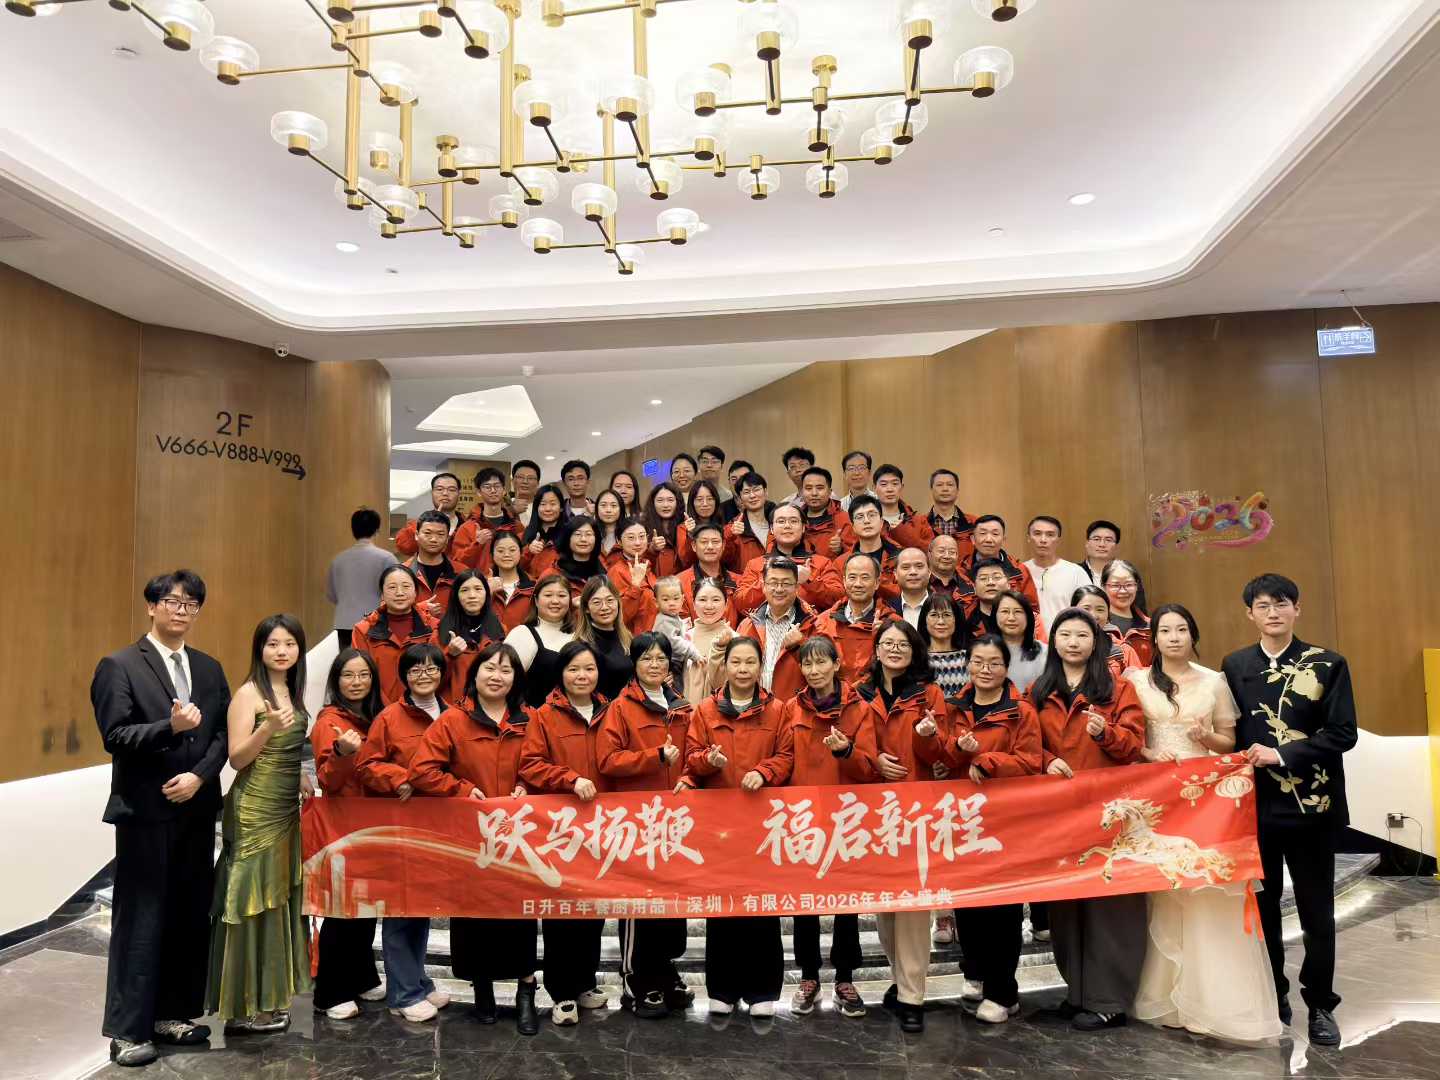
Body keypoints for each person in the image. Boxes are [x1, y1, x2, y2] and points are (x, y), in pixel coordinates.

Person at [92, 570, 231, 1068]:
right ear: (152, 606)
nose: (181, 610)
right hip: (146, 813)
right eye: (171, 601)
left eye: (190, 604)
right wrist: (168, 728)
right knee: (142, 919)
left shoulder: (209, 667)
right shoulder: (120, 665)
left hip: (196, 809)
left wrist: (199, 777)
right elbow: (115, 735)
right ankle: (128, 1031)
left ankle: (172, 1014)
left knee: (188, 914)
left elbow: (221, 734)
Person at [1128, 605, 1281, 1044]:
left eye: (1182, 629)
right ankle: (1169, 998)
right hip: (1157, 796)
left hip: (1204, 801)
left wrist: (1204, 737)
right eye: (1165, 630)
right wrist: (1147, 753)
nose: (1174, 637)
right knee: (1164, 892)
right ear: (1154, 638)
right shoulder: (1136, 681)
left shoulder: (1214, 681)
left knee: (1204, 891)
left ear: (1193, 635)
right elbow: (1131, 738)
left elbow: (1228, 743)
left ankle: (1207, 1001)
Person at [1222, 573, 1355, 1047]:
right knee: (1263, 910)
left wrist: (1281, 754)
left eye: (1281, 604)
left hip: (1312, 807)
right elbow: (1231, 732)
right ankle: (1273, 994)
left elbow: (1342, 734)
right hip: (1255, 809)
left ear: (1297, 609)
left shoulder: (1328, 663)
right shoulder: (1234, 665)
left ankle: (1320, 1004)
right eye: (1263, 605)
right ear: (1250, 614)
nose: (1273, 612)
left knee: (1317, 911)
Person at [408, 642, 540, 1036]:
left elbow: (546, 765)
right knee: (474, 916)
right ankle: (482, 990)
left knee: (519, 917)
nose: (497, 676)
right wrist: (462, 789)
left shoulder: (531, 719)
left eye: (506, 670)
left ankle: (526, 991)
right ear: (475, 674)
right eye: (489, 668)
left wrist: (527, 785)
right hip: (471, 838)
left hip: (519, 838)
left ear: (516, 679)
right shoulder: (453, 721)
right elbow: (422, 771)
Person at [1031, 607, 1146, 1031]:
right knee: (1066, 906)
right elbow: (1025, 742)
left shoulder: (1117, 688)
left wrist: (1105, 734)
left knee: (1109, 906)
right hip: (1058, 814)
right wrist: (1045, 760)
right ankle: (1077, 993)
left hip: (1107, 814)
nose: (1073, 642)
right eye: (1065, 634)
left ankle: (1109, 1000)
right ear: (1054, 642)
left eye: (1082, 635)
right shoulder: (1039, 690)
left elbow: (1134, 745)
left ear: (1096, 642)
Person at [207, 613, 313, 1035]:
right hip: (254, 810)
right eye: (273, 644)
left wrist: (298, 772)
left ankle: (269, 997)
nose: (281, 651)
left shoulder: (292, 690)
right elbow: (237, 759)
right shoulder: (248, 694)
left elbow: (287, 748)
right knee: (251, 901)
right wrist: (266, 729)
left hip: (286, 808)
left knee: (276, 899)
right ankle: (244, 1006)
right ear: (260, 649)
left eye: (289, 644)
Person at [680, 636, 794, 1015]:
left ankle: (763, 990)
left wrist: (764, 772)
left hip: (763, 823)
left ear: (760, 666)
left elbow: (786, 755)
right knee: (723, 905)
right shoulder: (705, 711)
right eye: (736, 662)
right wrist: (707, 761)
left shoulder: (777, 710)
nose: (743, 669)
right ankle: (723, 988)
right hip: (720, 825)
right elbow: (691, 757)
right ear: (725, 666)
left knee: (762, 906)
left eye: (750, 662)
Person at [941, 634, 1043, 1024]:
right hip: (964, 819)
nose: (985, 670)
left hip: (1005, 822)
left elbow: (1030, 761)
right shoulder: (954, 707)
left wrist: (987, 760)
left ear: (1006, 667)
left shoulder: (1021, 711)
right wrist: (954, 751)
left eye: (994, 663)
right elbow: (942, 757)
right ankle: (978, 974)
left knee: (1003, 909)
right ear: (967, 665)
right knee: (968, 905)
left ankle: (1004, 992)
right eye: (978, 662)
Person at [597, 633, 696, 1018]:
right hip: (637, 821)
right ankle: (637, 980)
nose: (654, 665)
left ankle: (665, 970)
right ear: (634, 664)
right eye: (646, 659)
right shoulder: (621, 708)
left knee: (672, 903)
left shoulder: (681, 705)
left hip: (676, 821)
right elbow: (608, 760)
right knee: (640, 902)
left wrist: (690, 774)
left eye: (661, 659)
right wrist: (653, 757)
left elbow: (693, 753)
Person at [857, 618, 948, 1033]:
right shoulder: (859, 693)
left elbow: (940, 753)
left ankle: (913, 995)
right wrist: (873, 759)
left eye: (903, 644)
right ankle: (901, 978)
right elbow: (852, 745)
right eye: (887, 643)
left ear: (914, 652)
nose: (894, 649)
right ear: (876, 649)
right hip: (873, 812)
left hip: (916, 810)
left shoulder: (929, 694)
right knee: (886, 907)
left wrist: (927, 737)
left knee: (912, 904)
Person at [355, 644, 453, 1022]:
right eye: (415, 670)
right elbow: (367, 764)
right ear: (404, 676)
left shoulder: (453, 714)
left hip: (440, 825)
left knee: (422, 907)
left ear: (442, 672)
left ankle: (418, 980)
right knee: (400, 908)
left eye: (431, 668)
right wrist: (401, 778)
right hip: (403, 823)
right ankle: (403, 993)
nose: (424, 675)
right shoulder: (390, 717)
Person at [519, 641, 614, 1026]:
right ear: (561, 674)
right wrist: (570, 779)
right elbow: (531, 764)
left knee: (595, 909)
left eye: (589, 669)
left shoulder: (611, 711)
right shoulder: (544, 715)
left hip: (604, 826)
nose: (582, 676)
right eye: (574, 669)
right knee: (562, 911)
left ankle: (585, 981)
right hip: (560, 828)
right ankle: (561, 992)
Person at [782, 636, 876, 1020]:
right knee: (805, 901)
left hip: (845, 818)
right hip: (804, 817)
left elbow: (869, 767)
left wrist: (846, 752)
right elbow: (783, 758)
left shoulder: (859, 710)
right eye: (808, 664)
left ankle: (844, 977)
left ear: (837, 664)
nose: (815, 670)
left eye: (822, 662)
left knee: (845, 902)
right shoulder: (790, 709)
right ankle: (808, 977)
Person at [310, 650, 385, 1021]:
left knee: (367, 906)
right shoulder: (330, 722)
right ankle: (330, 991)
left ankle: (362, 976)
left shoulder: (377, 716)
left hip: (375, 823)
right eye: (348, 675)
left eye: (364, 675)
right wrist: (342, 752)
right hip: (344, 824)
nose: (357, 682)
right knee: (343, 910)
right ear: (336, 681)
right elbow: (328, 780)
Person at [735, 556, 822, 699]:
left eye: (786, 583)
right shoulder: (747, 625)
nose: (779, 589)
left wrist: (801, 645)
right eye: (773, 583)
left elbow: (823, 673)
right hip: (754, 707)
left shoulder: (813, 624)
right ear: (764, 586)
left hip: (795, 707)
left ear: (796, 588)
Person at [732, 503, 843, 614]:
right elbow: (740, 603)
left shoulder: (822, 563)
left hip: (811, 623)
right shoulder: (756, 564)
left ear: (803, 527)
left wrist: (810, 581)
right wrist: (767, 581)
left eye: (793, 521)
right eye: (781, 521)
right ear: (771, 528)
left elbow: (839, 599)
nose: (787, 526)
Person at [352, 565, 438, 704]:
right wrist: (387, 710)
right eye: (392, 587)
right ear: (382, 594)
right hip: (378, 709)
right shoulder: (363, 630)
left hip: (424, 708)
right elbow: (361, 676)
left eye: (406, 586)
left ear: (415, 592)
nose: (399, 593)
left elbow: (439, 673)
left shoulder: (434, 627)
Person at [326, 508, 398, 651]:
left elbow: (332, 596)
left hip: (345, 622)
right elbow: (395, 592)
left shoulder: (338, 560)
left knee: (348, 661)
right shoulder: (387, 558)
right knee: (374, 661)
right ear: (377, 530)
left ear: (353, 530)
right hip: (375, 622)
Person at [504, 573, 578, 707]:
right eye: (548, 595)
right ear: (536, 600)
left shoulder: (579, 635)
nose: (555, 601)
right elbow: (504, 681)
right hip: (532, 716)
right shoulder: (522, 634)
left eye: (562, 596)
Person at [434, 569, 505, 705]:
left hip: (491, 706)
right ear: (456, 595)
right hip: (454, 708)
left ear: (486, 593)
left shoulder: (500, 629)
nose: (472, 595)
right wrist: (450, 655)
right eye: (464, 590)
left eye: (478, 589)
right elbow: (431, 682)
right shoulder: (440, 631)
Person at [814, 553, 885, 685]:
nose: (858, 584)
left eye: (865, 578)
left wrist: (883, 641)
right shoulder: (823, 622)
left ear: (877, 583)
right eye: (852, 577)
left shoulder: (889, 623)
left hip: (873, 695)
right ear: (844, 581)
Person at [1024, 516, 1091, 631]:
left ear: (1058, 540)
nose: (1043, 540)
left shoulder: (1076, 572)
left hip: (1066, 638)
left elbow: (1089, 610)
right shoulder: (1019, 572)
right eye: (1037, 533)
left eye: (1050, 535)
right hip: (1028, 639)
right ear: (1028, 538)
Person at [964, 516, 1039, 617]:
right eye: (983, 533)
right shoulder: (961, 571)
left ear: (1003, 540)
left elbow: (1032, 610)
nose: (988, 539)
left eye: (995, 534)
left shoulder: (1019, 571)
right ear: (973, 539)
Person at [574, 574, 635, 699]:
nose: (605, 607)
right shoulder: (582, 646)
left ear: (618, 602)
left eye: (610, 600)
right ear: (586, 608)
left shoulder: (627, 637)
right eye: (597, 602)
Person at [453, 467, 524, 574]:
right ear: (478, 492)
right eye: (487, 487)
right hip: (479, 582)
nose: (493, 490)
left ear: (504, 490)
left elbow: (524, 561)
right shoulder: (467, 528)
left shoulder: (516, 526)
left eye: (497, 486)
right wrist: (477, 544)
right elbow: (457, 563)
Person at [1071, 584, 1142, 677]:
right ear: (1072, 613)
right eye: (1086, 609)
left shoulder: (1124, 651)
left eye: (1100, 610)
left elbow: (1138, 683)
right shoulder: (1062, 649)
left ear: (1108, 615)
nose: (1093, 615)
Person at [684, 578, 735, 704]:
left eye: (716, 600)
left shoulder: (735, 640)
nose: (709, 606)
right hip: (685, 713)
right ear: (693, 604)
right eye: (702, 600)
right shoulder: (684, 638)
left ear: (726, 603)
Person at [677, 522, 740, 624]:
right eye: (704, 542)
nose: (710, 546)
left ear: (723, 545)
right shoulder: (679, 583)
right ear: (694, 546)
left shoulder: (739, 582)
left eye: (715, 542)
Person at [840, 495, 901, 601]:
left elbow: (907, 592)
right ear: (853, 526)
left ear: (881, 522)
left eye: (872, 515)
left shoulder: (900, 557)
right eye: (860, 517)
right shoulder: (841, 562)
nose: (867, 521)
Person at [394, 473, 464, 559]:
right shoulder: (420, 523)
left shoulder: (468, 525)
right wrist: (429, 521)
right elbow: (404, 547)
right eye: (439, 489)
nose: (445, 493)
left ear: (459, 493)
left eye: (451, 490)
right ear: (432, 493)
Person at [608, 517, 659, 632]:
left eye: (642, 536)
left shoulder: (645, 564)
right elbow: (618, 616)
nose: (637, 542)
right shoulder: (616, 572)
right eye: (631, 538)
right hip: (636, 638)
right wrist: (635, 586)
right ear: (619, 541)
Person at [650, 577, 705, 683]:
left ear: (682, 600)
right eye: (666, 599)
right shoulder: (664, 621)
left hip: (674, 661)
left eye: (676, 598)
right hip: (671, 663)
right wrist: (693, 653)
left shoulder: (671, 617)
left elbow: (673, 631)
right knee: (678, 689)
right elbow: (674, 642)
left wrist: (683, 626)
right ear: (656, 602)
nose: (671, 603)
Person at [406, 510, 458, 621]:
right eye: (427, 533)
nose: (434, 539)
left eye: (440, 534)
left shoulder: (461, 572)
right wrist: (420, 610)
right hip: (412, 632)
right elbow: (388, 612)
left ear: (447, 539)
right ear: (416, 535)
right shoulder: (401, 573)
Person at [919, 592, 971, 698]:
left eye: (947, 615)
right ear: (924, 620)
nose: (941, 622)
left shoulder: (970, 659)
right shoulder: (916, 660)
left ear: (956, 619)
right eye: (934, 615)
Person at [872, 464, 935, 551]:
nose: (890, 489)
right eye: (884, 484)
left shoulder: (919, 521)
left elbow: (931, 551)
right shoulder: (867, 521)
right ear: (874, 488)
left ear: (902, 487)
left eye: (895, 484)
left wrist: (901, 531)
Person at [1102, 559, 1152, 665]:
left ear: (1137, 586)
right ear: (1103, 586)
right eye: (1115, 585)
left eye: (1129, 585)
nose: (1123, 591)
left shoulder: (1150, 627)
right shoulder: (1097, 626)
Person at [996, 589, 1047, 693]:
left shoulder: (1045, 652)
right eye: (1005, 611)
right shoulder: (983, 651)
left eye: (1018, 611)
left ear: (1028, 616)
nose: (1011, 618)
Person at [725, 471, 777, 571]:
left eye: (756, 490)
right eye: (746, 492)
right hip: (747, 580)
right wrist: (730, 537)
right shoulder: (733, 529)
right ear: (740, 498)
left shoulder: (778, 524)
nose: (752, 495)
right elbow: (723, 559)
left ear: (765, 492)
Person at [798, 466, 851, 555]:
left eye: (820, 488)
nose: (814, 493)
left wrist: (841, 549)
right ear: (802, 492)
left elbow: (855, 553)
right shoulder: (795, 519)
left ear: (830, 492)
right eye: (808, 488)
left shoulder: (844, 519)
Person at [488, 532, 535, 633]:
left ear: (521, 553)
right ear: (492, 554)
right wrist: (488, 593)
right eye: (500, 551)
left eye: (512, 550)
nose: (506, 555)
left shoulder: (534, 586)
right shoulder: (481, 585)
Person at [519, 484, 567, 580]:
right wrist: (528, 551)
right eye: (543, 504)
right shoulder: (523, 535)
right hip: (528, 587)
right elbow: (513, 567)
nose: (548, 509)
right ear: (536, 507)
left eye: (553, 504)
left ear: (561, 507)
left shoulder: (569, 535)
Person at [926, 468, 976, 558]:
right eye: (939, 485)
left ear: (957, 490)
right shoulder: (920, 523)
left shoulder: (974, 523)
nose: (945, 489)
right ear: (931, 490)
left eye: (950, 485)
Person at [554, 516, 606, 599]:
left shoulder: (605, 572)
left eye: (588, 534)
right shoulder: (553, 572)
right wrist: (571, 604)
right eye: (577, 534)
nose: (583, 539)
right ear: (568, 538)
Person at [643, 481, 687, 578]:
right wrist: (652, 550)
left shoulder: (686, 527)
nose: (665, 505)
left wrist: (690, 534)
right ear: (653, 503)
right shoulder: (643, 528)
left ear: (677, 502)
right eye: (660, 500)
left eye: (670, 500)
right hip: (653, 583)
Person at [679, 480, 726, 565]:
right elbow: (685, 561)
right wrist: (690, 535)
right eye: (699, 499)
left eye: (710, 499)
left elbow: (729, 559)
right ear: (692, 503)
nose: (705, 504)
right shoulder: (683, 528)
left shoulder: (724, 526)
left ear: (716, 501)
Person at [967, 558, 1011, 638]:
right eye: (983, 578)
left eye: (997, 577)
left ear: (1009, 584)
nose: (990, 582)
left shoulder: (1025, 616)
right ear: (974, 588)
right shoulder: (965, 620)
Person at [891, 547, 932, 628]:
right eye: (905, 567)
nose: (913, 572)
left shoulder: (947, 607)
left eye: (919, 566)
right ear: (895, 574)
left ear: (929, 572)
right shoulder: (886, 609)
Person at [927, 534, 969, 606]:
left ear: (957, 556)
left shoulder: (970, 585)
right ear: (929, 554)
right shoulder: (916, 583)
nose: (947, 556)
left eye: (952, 552)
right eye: (941, 551)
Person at [594, 489, 627, 566]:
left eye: (613, 506)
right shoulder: (590, 533)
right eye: (603, 505)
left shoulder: (629, 533)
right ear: (597, 508)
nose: (608, 510)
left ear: (621, 509)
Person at [510, 459, 542, 524]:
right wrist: (511, 512)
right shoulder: (502, 507)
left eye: (530, 478)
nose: (525, 481)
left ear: (537, 484)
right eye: (520, 477)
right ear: (513, 481)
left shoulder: (544, 508)